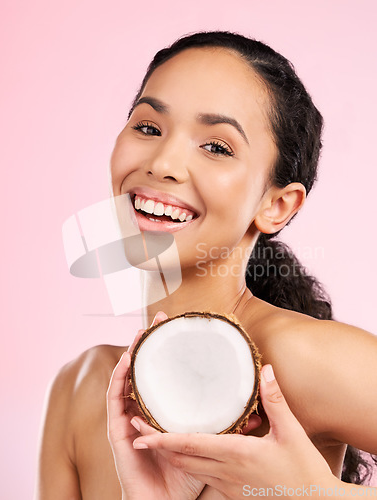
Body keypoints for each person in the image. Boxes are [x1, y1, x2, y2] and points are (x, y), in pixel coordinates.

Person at [35, 31, 377, 500]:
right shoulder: (81, 389)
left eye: (216, 147)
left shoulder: (304, 360)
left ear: (277, 205)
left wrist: (312, 492)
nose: (163, 162)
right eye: (149, 127)